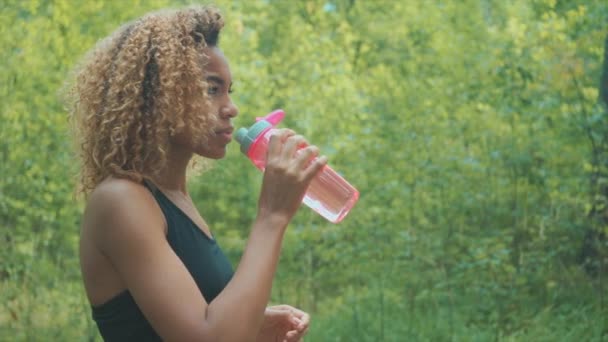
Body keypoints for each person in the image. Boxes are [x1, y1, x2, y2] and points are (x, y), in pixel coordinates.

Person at [66, 5, 327, 341]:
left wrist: (252, 326)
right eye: (211, 89)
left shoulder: (174, 200)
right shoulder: (121, 200)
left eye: (228, 90)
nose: (231, 108)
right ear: (158, 95)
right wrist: (272, 215)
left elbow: (192, 324)